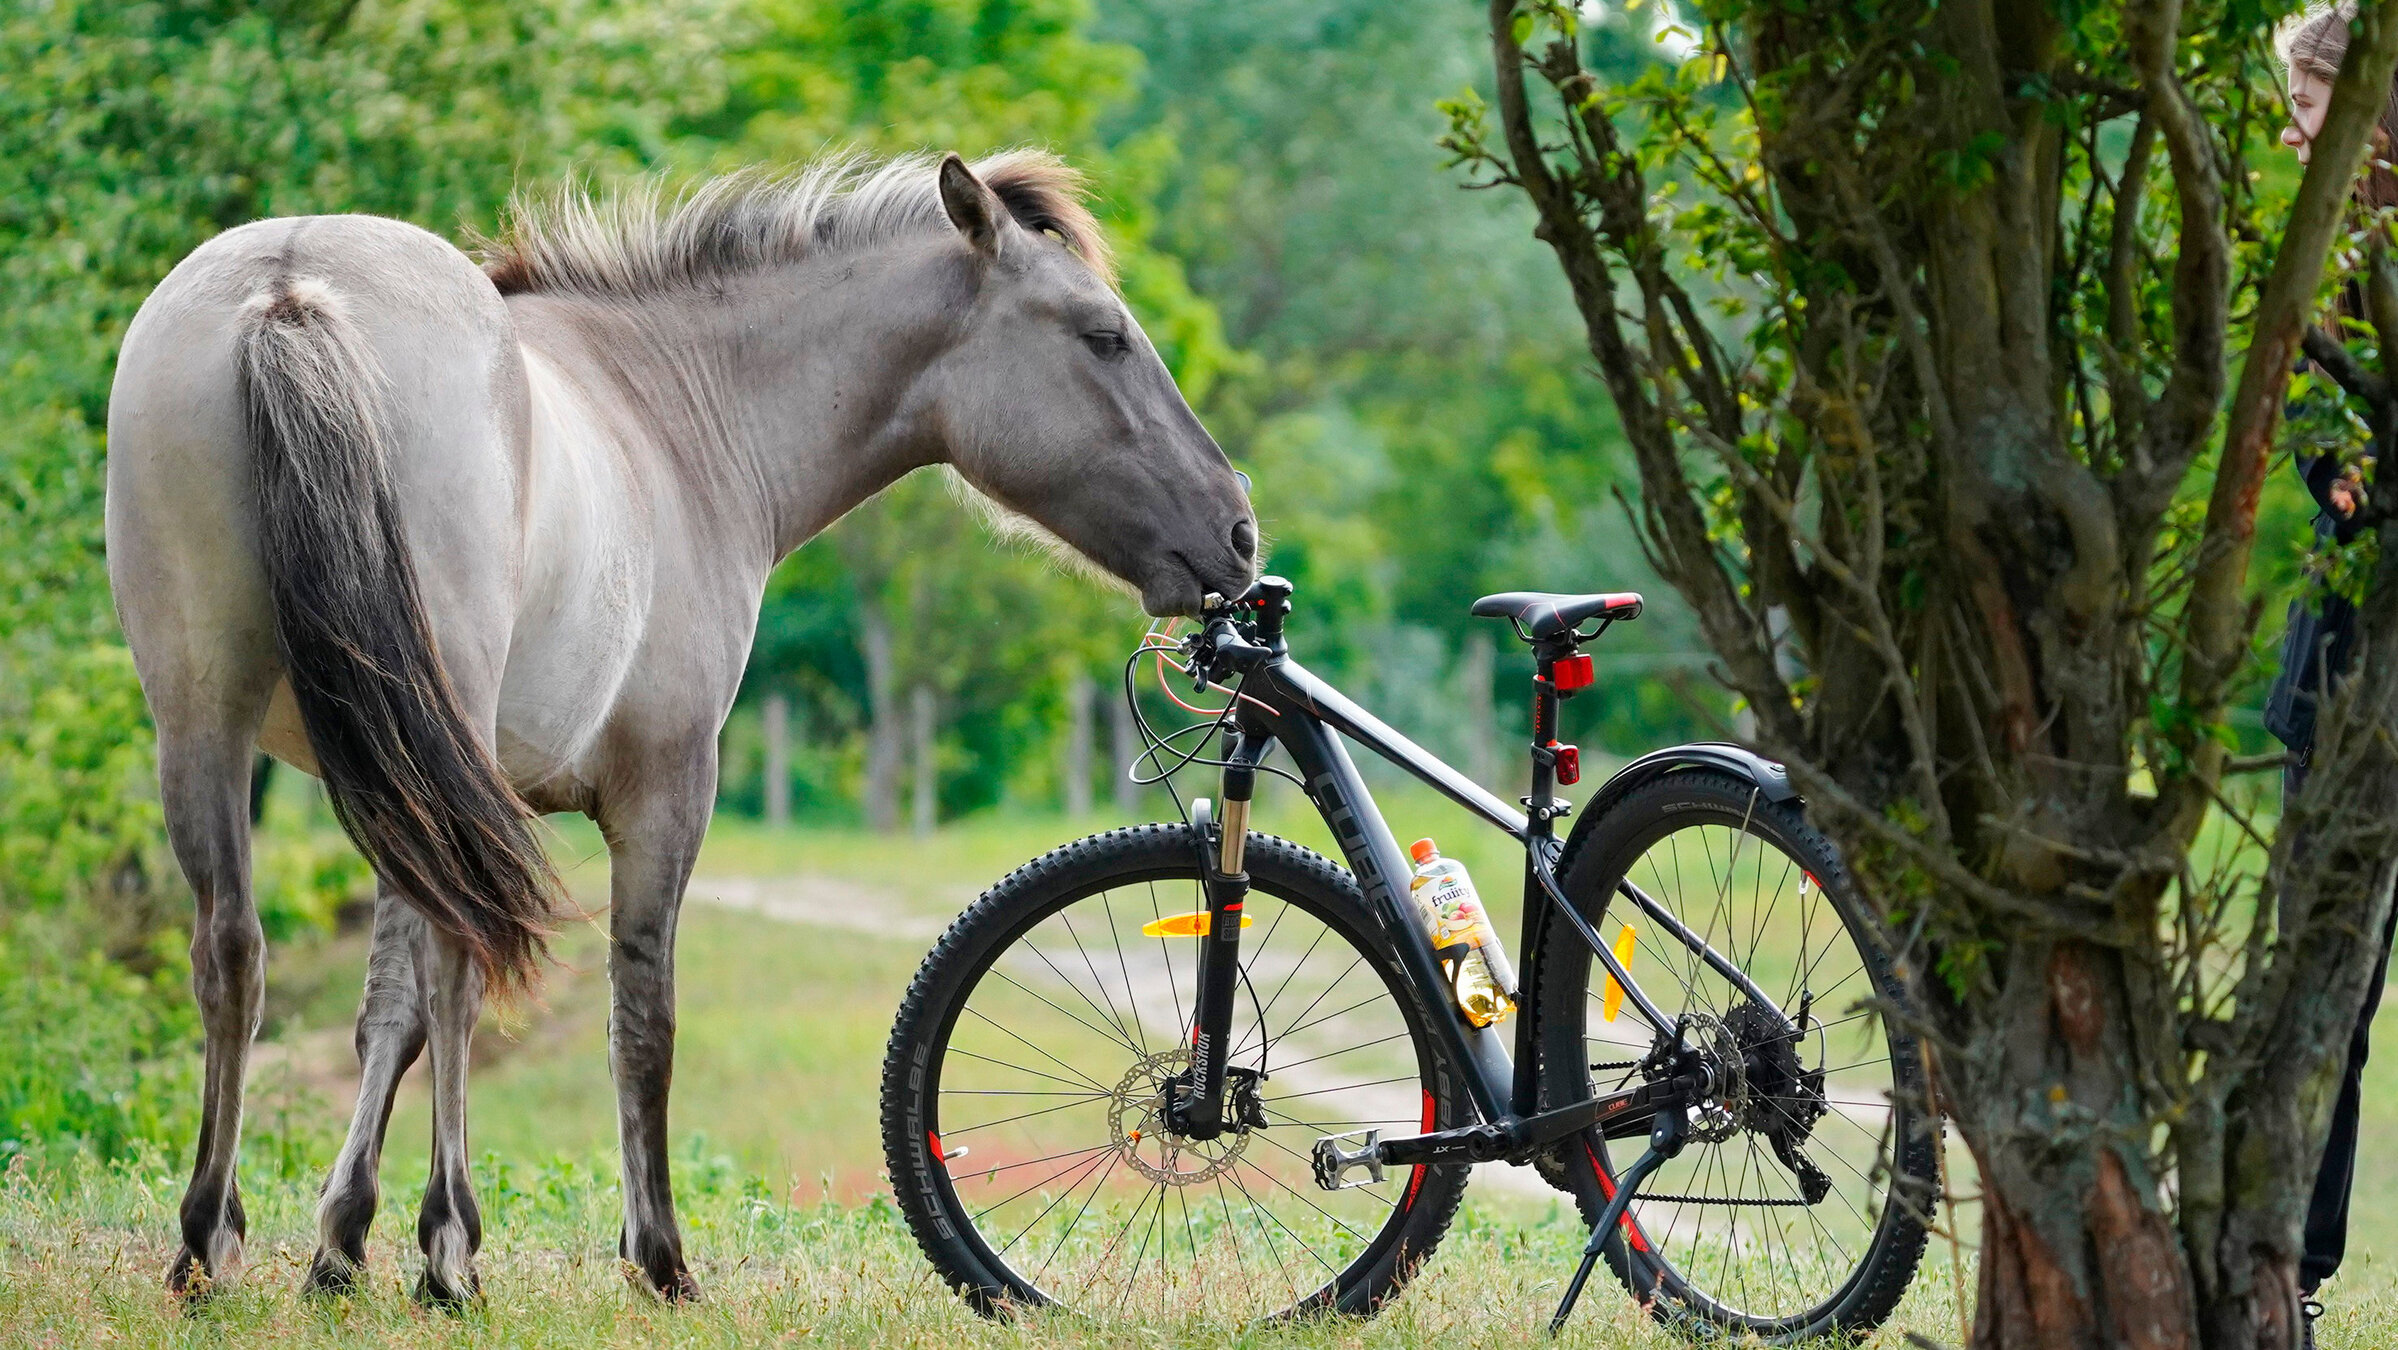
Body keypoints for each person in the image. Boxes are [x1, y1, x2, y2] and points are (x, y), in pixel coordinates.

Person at [2271, 5, 2396, 1338]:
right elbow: (2321, 444)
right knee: (2324, 990)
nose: (2291, 132)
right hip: (2346, 677)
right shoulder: (2319, 265)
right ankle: (2286, 1274)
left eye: (2306, 106)